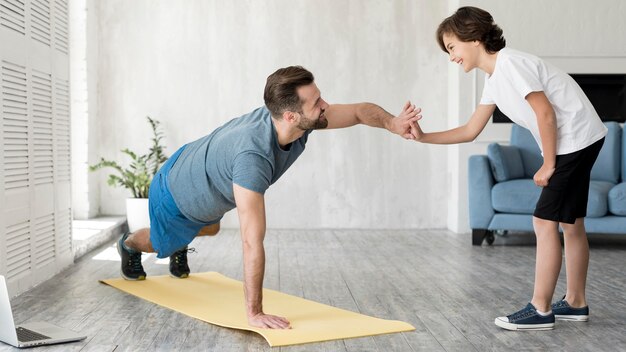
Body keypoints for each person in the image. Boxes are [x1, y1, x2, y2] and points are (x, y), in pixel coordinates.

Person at [116, 65, 421, 329]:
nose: (326, 105)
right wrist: (254, 312)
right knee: (163, 240)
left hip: (199, 167)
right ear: (290, 116)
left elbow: (356, 111)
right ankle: (129, 245)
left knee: (210, 225)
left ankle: (181, 241)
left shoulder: (298, 119)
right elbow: (251, 241)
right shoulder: (252, 157)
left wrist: (392, 123)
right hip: (175, 191)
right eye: (317, 102)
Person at [410, 7, 607, 331]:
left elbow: (545, 113)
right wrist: (423, 137)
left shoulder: (511, 63)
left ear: (473, 38)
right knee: (571, 224)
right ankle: (575, 302)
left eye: (452, 48)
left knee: (544, 221)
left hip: (575, 140)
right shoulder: (494, 79)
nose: (452, 57)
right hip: (580, 139)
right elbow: (470, 130)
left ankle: (540, 309)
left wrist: (548, 164)